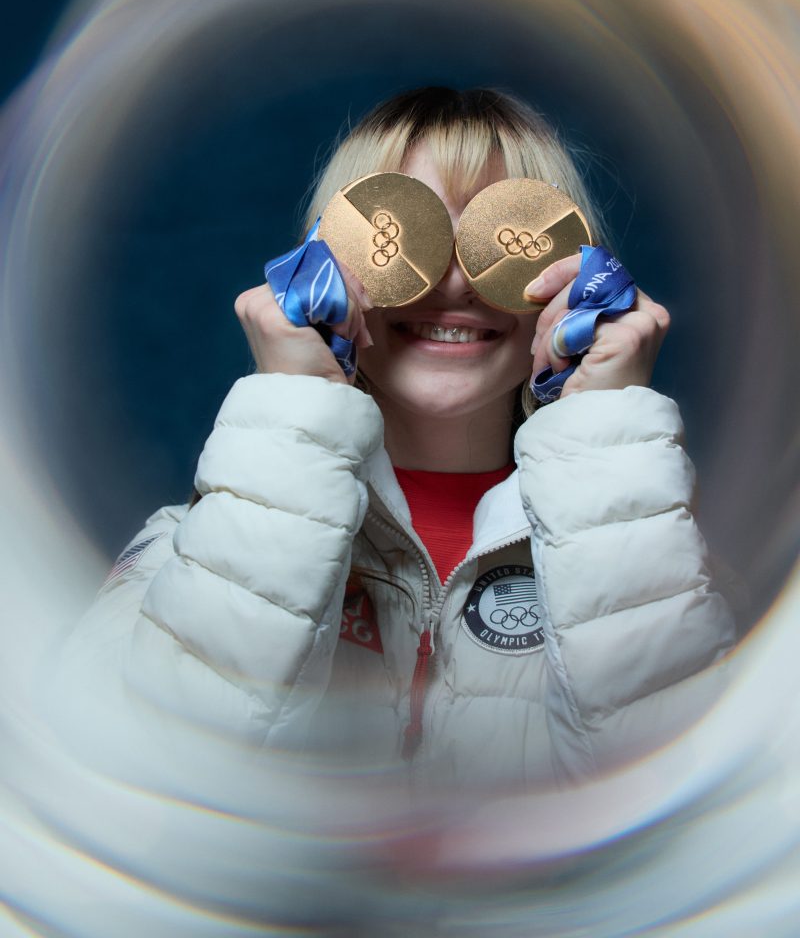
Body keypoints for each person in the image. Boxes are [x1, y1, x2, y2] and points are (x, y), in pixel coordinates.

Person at [57, 86, 736, 788]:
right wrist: (295, 407)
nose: (455, 281)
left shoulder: (663, 564)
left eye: (499, 238)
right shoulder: (184, 551)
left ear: (574, 282)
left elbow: (692, 799)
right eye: (414, 231)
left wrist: (604, 431)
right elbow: (127, 791)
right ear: (329, 266)